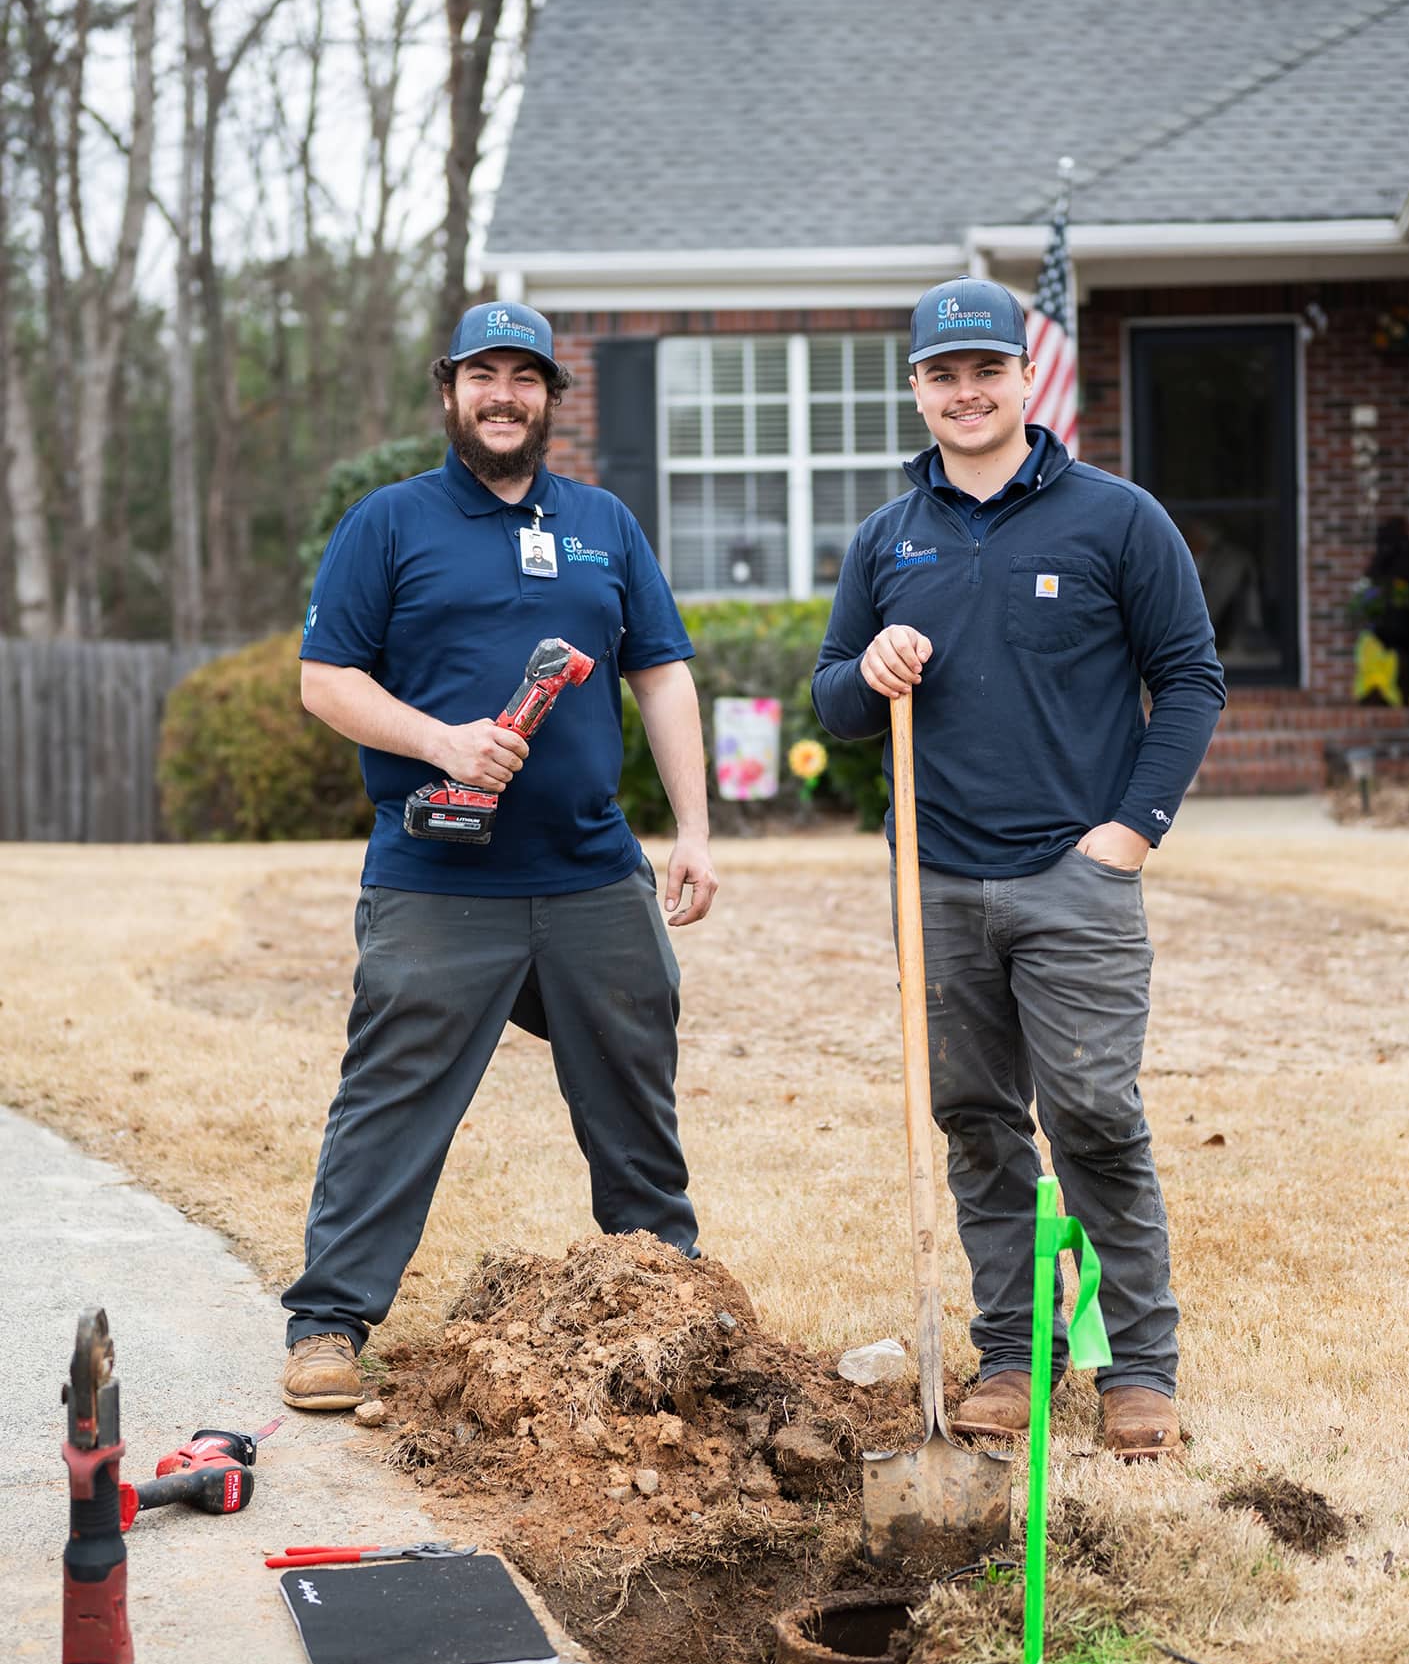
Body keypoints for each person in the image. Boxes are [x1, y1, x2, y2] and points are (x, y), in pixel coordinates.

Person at [811, 277, 1225, 1457]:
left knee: (1093, 1112)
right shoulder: (889, 539)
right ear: (916, 390)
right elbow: (834, 697)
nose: (966, 390)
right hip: (933, 881)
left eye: (985, 369)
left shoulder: (1117, 518)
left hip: (1073, 876)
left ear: (1024, 376)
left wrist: (1130, 831)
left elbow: (1190, 677)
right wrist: (869, 666)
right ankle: (1013, 1352)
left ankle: (1137, 1367)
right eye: (942, 374)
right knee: (979, 1120)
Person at [281, 301, 718, 1409]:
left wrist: (695, 828)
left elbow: (660, 671)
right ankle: (329, 1323)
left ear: (551, 401)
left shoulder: (605, 525)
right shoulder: (388, 523)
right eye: (486, 375)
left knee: (635, 1092)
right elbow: (325, 679)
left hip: (589, 871)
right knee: (391, 1097)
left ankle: (667, 1299)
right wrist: (443, 741)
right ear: (450, 391)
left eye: (527, 377)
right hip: (437, 878)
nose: (505, 395)